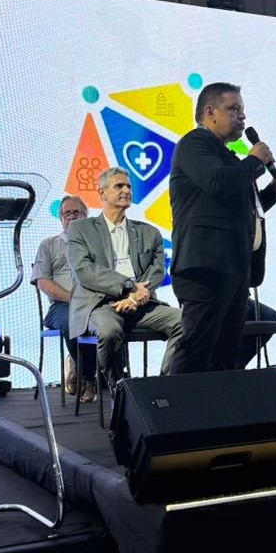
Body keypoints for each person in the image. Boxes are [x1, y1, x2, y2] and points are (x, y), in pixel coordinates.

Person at [169, 82, 276, 374]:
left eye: (242, 110)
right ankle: (175, 402)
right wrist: (255, 161)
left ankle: (217, 401)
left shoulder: (227, 157)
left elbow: (241, 210)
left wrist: (273, 192)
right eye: (233, 109)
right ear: (210, 113)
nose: (242, 116)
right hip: (206, 265)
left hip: (232, 267)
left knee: (225, 352)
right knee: (197, 348)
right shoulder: (195, 144)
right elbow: (219, 183)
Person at [67, 167, 183, 393]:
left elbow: (157, 270)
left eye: (128, 186)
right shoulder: (80, 229)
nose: (126, 190)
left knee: (186, 321)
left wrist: (136, 298)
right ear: (102, 193)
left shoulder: (149, 232)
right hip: (100, 304)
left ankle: (164, 389)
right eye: (119, 186)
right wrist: (128, 288)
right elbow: (84, 270)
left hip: (141, 303)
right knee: (109, 331)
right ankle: (121, 393)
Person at [32, 194, 98, 402]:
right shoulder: (49, 245)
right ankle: (88, 378)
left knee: (111, 320)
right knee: (74, 319)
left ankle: (97, 370)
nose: (72, 216)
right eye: (67, 213)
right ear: (61, 218)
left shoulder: (98, 245)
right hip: (62, 305)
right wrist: (75, 299)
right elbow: (43, 282)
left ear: (86, 216)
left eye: (76, 212)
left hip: (95, 303)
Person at [236, 296, 276, 370]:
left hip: (242, 297)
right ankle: (234, 366)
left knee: (272, 318)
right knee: (245, 315)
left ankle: (238, 364)